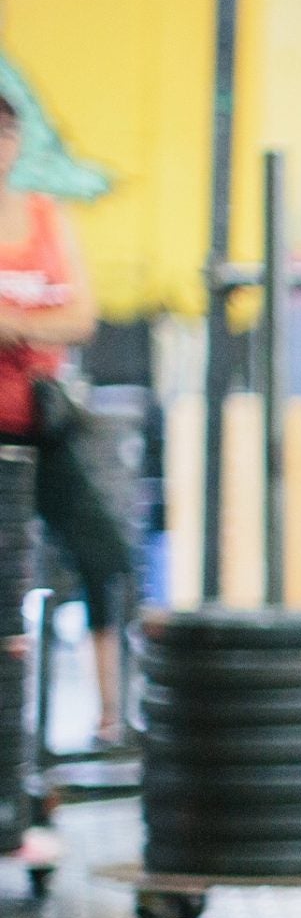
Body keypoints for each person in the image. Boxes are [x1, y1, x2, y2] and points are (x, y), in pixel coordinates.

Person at [0, 91, 130, 746]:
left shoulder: (46, 217)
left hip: (41, 427)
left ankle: (111, 720)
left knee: (105, 556)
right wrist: (34, 325)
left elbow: (79, 318)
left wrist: (11, 323)